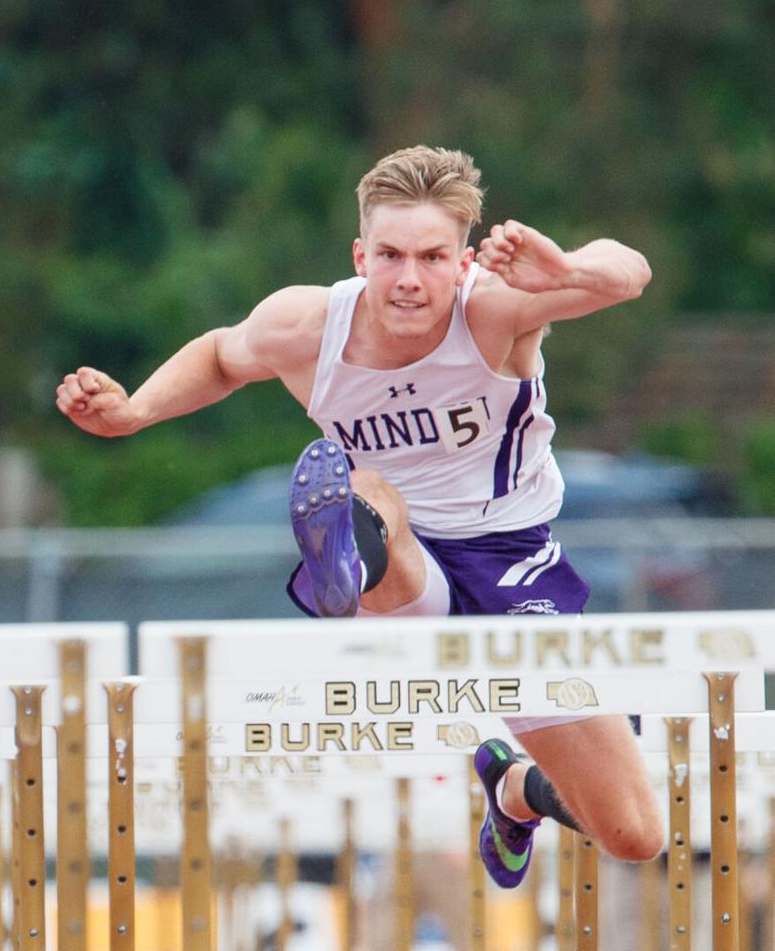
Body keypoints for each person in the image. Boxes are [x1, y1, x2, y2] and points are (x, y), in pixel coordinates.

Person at [55, 146, 662, 884]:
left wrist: (565, 269)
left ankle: (512, 788)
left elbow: (630, 272)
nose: (409, 279)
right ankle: (346, 557)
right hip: (397, 565)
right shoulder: (308, 325)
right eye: (390, 255)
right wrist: (135, 411)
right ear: (359, 254)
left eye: (433, 257)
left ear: (463, 259)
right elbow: (220, 355)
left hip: (508, 563)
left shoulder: (496, 307)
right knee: (368, 487)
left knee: (636, 833)